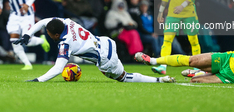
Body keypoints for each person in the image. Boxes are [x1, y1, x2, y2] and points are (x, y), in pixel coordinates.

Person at [14, 18, 175, 83]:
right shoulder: (65, 21)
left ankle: (159, 78)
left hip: (106, 59)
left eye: (49, 34)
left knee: (123, 78)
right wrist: (28, 34)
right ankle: (151, 65)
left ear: (56, 34)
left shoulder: (65, 43)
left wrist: (38, 80)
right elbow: (44, 22)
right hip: (106, 42)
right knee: (120, 75)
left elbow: (58, 68)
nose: (47, 34)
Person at [154, 0, 201, 75]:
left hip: (189, 13)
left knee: (194, 40)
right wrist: (160, 12)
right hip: (173, 14)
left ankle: (197, 68)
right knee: (167, 40)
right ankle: (162, 66)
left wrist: (182, 6)